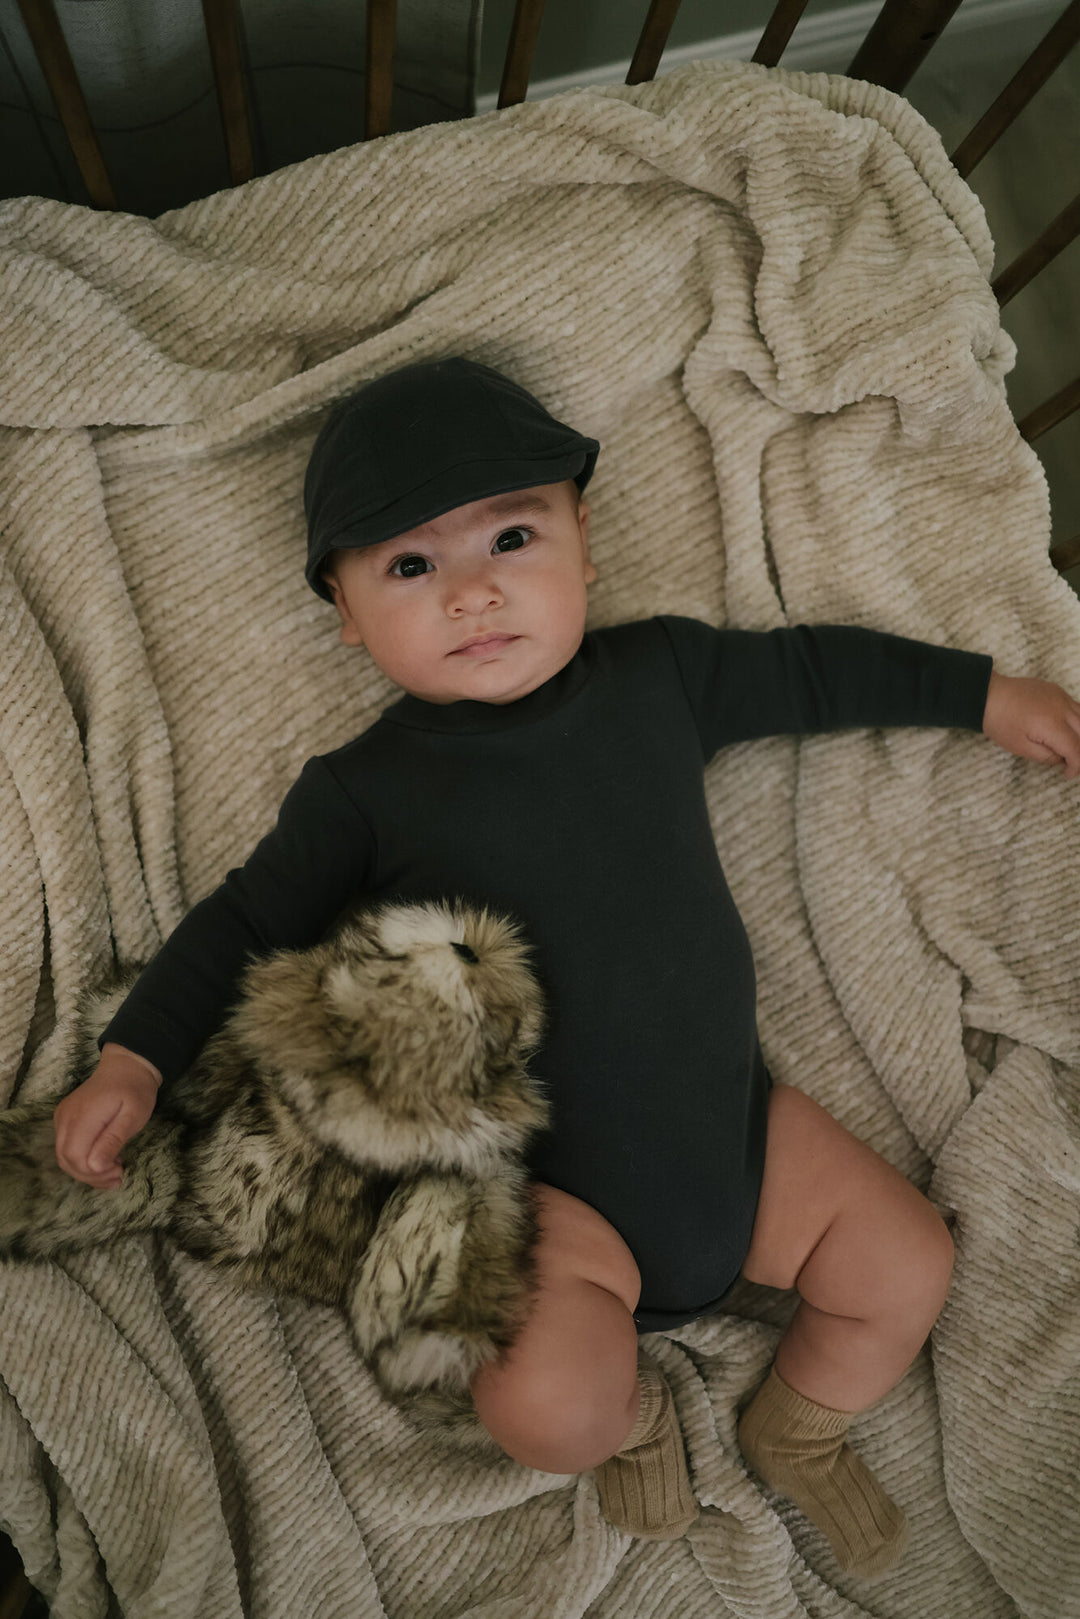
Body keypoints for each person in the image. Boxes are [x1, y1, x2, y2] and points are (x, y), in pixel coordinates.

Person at [51, 357, 1080, 1575]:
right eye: (412, 566)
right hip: (554, 1204)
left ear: (585, 544)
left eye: (513, 535)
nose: (475, 591)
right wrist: (135, 1055)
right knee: (546, 1413)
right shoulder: (362, 790)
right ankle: (634, 1411)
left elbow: (815, 670)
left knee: (908, 1262)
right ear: (345, 611)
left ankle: (801, 1422)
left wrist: (982, 694)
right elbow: (237, 926)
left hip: (743, 1137)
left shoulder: (660, 676)